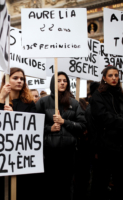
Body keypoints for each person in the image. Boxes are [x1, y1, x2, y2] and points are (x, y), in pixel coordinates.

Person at [36, 71, 86, 199]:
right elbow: (33, 127)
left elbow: (82, 126)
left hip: (69, 152)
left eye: (65, 80)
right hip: (49, 151)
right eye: (59, 80)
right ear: (53, 83)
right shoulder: (43, 102)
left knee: (67, 184)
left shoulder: (74, 104)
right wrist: (49, 128)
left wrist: (65, 122)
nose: (62, 83)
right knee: (50, 184)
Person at [90, 66, 123, 200]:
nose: (114, 78)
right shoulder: (98, 96)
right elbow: (104, 117)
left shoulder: (122, 96)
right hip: (107, 146)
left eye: (116, 75)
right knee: (101, 182)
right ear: (104, 78)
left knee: (122, 182)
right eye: (110, 75)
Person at [0, 68, 36, 200]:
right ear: (6, 80)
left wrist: (14, 116)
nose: (19, 81)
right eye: (15, 78)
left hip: (21, 152)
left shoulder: (29, 103)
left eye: (22, 79)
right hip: (3, 151)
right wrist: (1, 98)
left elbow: (33, 125)